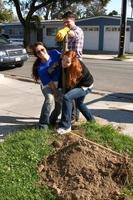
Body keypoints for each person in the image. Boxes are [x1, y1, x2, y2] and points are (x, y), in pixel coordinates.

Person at [57, 51, 95, 135]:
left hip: (86, 86)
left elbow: (73, 84)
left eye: (67, 62)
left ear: (73, 61)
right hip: (78, 84)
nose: (64, 63)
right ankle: (92, 121)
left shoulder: (77, 68)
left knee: (67, 97)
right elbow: (61, 76)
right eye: (63, 60)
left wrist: (65, 94)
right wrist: (59, 88)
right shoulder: (62, 64)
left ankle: (66, 126)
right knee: (79, 104)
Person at [32, 42, 62, 129]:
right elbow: (50, 84)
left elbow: (64, 57)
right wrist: (56, 93)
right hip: (47, 85)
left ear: (45, 48)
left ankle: (52, 120)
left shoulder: (54, 53)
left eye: (42, 49)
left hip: (58, 83)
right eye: (38, 52)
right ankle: (43, 124)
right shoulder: (41, 68)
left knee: (58, 107)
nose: (41, 52)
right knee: (50, 98)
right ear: (36, 55)